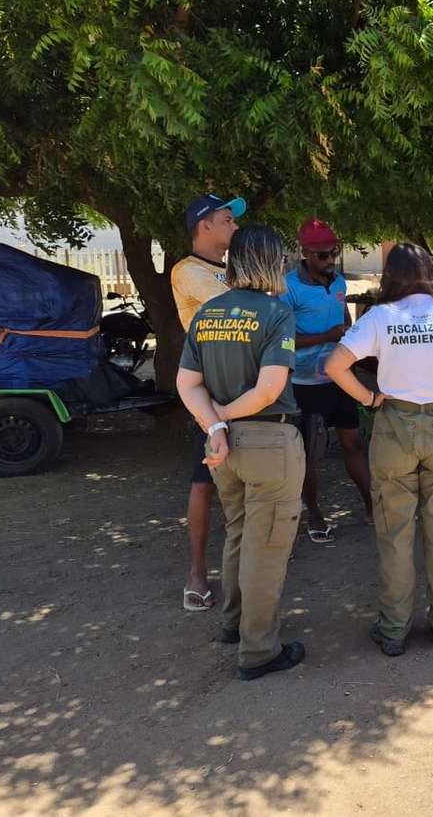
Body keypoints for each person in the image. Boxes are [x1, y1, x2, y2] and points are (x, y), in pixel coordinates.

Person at [323, 243, 433, 655]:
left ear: (390, 276)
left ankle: (393, 629)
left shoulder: (380, 317)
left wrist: (369, 399)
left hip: (395, 428)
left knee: (394, 533)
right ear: (430, 274)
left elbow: (335, 365)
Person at [176, 224, 306, 681]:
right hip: (268, 442)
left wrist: (215, 425)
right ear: (271, 262)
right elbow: (269, 390)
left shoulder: (208, 313)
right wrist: (226, 416)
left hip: (223, 450)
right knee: (265, 547)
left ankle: (233, 624)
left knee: (238, 532)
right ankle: (259, 651)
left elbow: (187, 383)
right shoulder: (276, 313)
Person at [279, 219, 374, 542]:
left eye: (334, 252)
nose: (330, 259)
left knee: (354, 443)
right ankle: (315, 515)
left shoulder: (339, 282)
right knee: (308, 453)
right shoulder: (288, 288)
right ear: (305, 253)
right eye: (322, 255)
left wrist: (354, 351)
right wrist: (326, 337)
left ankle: (372, 505)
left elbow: (344, 323)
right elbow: (282, 340)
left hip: (339, 379)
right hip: (304, 384)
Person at [171, 193, 241, 611]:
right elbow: (236, 310)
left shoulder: (234, 269)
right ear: (205, 226)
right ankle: (197, 571)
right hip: (209, 389)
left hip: (244, 385)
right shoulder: (188, 271)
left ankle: (246, 558)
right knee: (204, 480)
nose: (235, 226)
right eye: (227, 220)